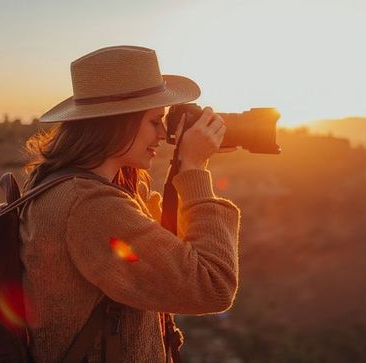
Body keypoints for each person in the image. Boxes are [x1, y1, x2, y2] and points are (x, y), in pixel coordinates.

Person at [18, 45, 241, 362]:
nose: (163, 134)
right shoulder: (91, 206)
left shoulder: (60, 187)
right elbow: (212, 284)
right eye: (154, 121)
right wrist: (194, 171)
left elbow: (161, 270)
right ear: (117, 123)